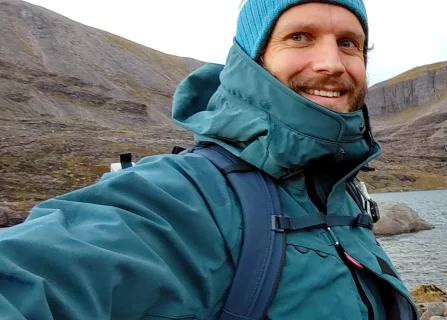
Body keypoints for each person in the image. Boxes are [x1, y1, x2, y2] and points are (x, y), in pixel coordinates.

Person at [0, 1, 420, 319]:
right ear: (252, 60)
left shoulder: (342, 195)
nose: (331, 63)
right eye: (299, 37)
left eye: (348, 43)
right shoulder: (183, 194)